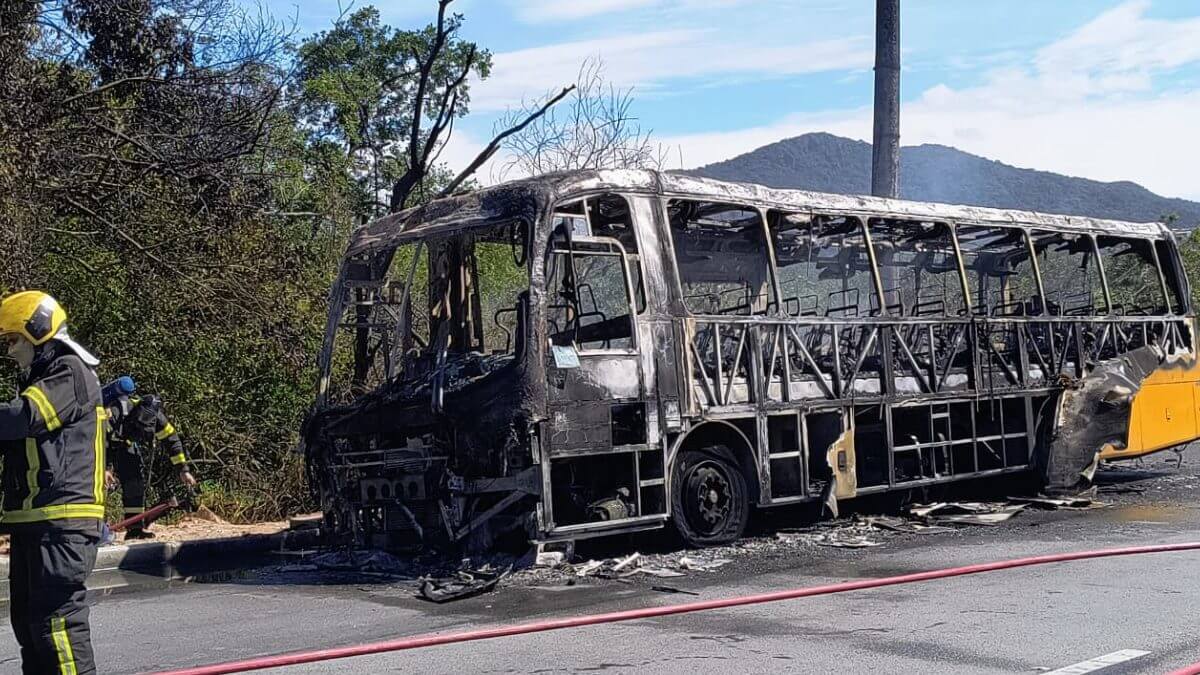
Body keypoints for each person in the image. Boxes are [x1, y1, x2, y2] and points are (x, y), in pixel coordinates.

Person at [0, 290, 105, 674]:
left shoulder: (69, 372)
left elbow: (24, 417)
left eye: (13, 340)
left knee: (57, 625)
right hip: (37, 522)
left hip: (63, 522)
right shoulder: (41, 379)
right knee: (30, 627)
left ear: (38, 330)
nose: (10, 352)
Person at [103, 376, 196, 539]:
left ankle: (134, 529)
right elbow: (99, 440)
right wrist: (105, 467)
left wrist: (183, 470)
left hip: (125, 445)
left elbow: (172, 441)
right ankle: (93, 528)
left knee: (135, 482)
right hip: (101, 446)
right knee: (97, 484)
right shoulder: (114, 412)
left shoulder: (156, 417)